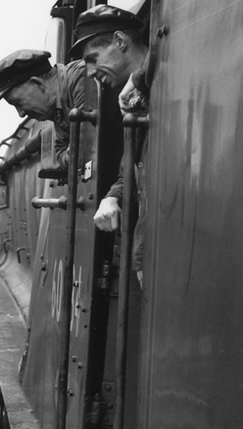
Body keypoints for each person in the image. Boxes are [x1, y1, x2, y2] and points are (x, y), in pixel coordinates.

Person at [70, 5, 150, 284]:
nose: (90, 72)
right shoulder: (133, 100)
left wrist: (138, 80)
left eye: (93, 58)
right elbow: (131, 164)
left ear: (120, 41)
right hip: (147, 253)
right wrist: (112, 196)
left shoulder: (155, 82)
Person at [0, 49, 85, 168]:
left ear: (38, 84)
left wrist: (71, 155)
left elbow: (86, 148)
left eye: (18, 103)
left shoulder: (82, 77)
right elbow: (61, 152)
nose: (21, 114)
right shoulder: (56, 109)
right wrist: (70, 157)